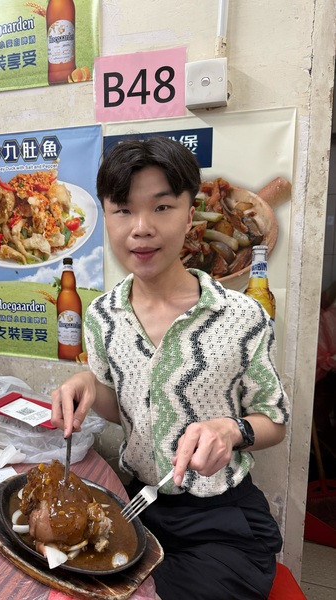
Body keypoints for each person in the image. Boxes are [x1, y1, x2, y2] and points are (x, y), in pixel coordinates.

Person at [51, 137, 289, 600]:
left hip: (222, 523)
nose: (141, 229)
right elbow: (123, 408)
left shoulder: (242, 315)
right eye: (123, 210)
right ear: (106, 217)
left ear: (189, 213)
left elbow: (274, 421)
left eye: (161, 207)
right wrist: (88, 385)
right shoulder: (101, 316)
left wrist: (231, 430)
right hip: (140, 508)